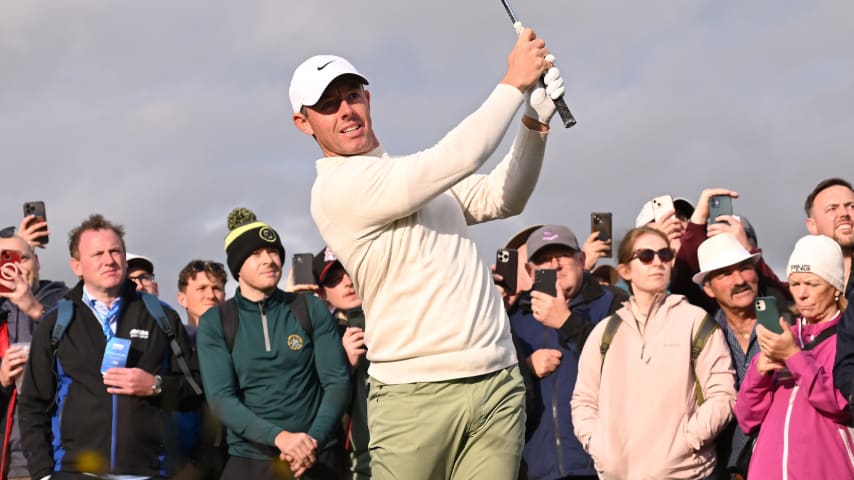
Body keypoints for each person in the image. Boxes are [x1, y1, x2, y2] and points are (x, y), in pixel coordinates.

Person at [291, 27, 565, 480]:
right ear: (304, 123)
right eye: (327, 105)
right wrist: (514, 83)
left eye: (352, 95)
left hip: (494, 383)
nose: (346, 110)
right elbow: (458, 157)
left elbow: (504, 197)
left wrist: (534, 123)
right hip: (412, 397)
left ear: (368, 97)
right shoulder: (336, 189)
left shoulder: (411, 178)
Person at [18, 214, 203, 479]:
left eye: (116, 251)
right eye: (98, 254)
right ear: (76, 266)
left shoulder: (161, 316)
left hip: (148, 471)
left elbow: (195, 388)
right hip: (74, 471)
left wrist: (155, 385)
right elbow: (33, 404)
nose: (109, 260)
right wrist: (43, 474)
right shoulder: (57, 321)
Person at [196, 208, 349, 480]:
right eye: (255, 254)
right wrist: (281, 438)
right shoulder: (217, 321)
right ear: (237, 267)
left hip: (319, 454)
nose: (269, 260)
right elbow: (221, 398)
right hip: (252, 459)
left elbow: (336, 381)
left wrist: (310, 442)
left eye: (274, 252)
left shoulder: (309, 307)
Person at [571, 226, 735, 479]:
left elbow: (723, 394)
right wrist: (600, 447)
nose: (657, 262)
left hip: (685, 474)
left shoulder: (696, 322)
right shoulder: (605, 332)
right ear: (625, 270)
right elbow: (583, 401)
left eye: (665, 255)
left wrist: (687, 441)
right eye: (646, 256)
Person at [509, 225, 626, 480]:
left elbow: (624, 365)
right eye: (543, 259)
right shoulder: (514, 316)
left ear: (582, 260)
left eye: (563, 255)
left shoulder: (613, 302)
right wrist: (525, 366)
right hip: (535, 468)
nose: (555, 265)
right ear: (530, 270)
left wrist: (565, 321)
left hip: (601, 467)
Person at [735, 235, 853, 478]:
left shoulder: (846, 341)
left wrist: (794, 357)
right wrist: (759, 372)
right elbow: (747, 419)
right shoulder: (783, 335)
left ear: (835, 288)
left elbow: (842, 405)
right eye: (795, 284)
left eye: (812, 284)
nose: (802, 294)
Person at [691, 233, 764, 477]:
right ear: (708, 289)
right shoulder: (703, 338)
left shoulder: (787, 324)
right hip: (725, 467)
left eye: (744, 268)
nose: (740, 280)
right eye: (725, 274)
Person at [0, 231, 67, 480]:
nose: (14, 268)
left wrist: (33, 306)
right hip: (11, 466)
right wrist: (2, 381)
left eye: (23, 258)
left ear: (37, 261)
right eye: (5, 260)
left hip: (64, 460)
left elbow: (86, 357)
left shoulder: (65, 302)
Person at [313, 247, 370, 479]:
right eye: (334, 280)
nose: (347, 282)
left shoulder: (395, 316)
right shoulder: (319, 335)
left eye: (350, 271)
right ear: (322, 294)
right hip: (352, 456)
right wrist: (344, 365)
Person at [172, 259, 230, 480]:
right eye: (201, 288)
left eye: (217, 288)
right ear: (182, 298)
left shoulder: (239, 340)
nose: (210, 295)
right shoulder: (173, 344)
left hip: (232, 457)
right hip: (184, 461)